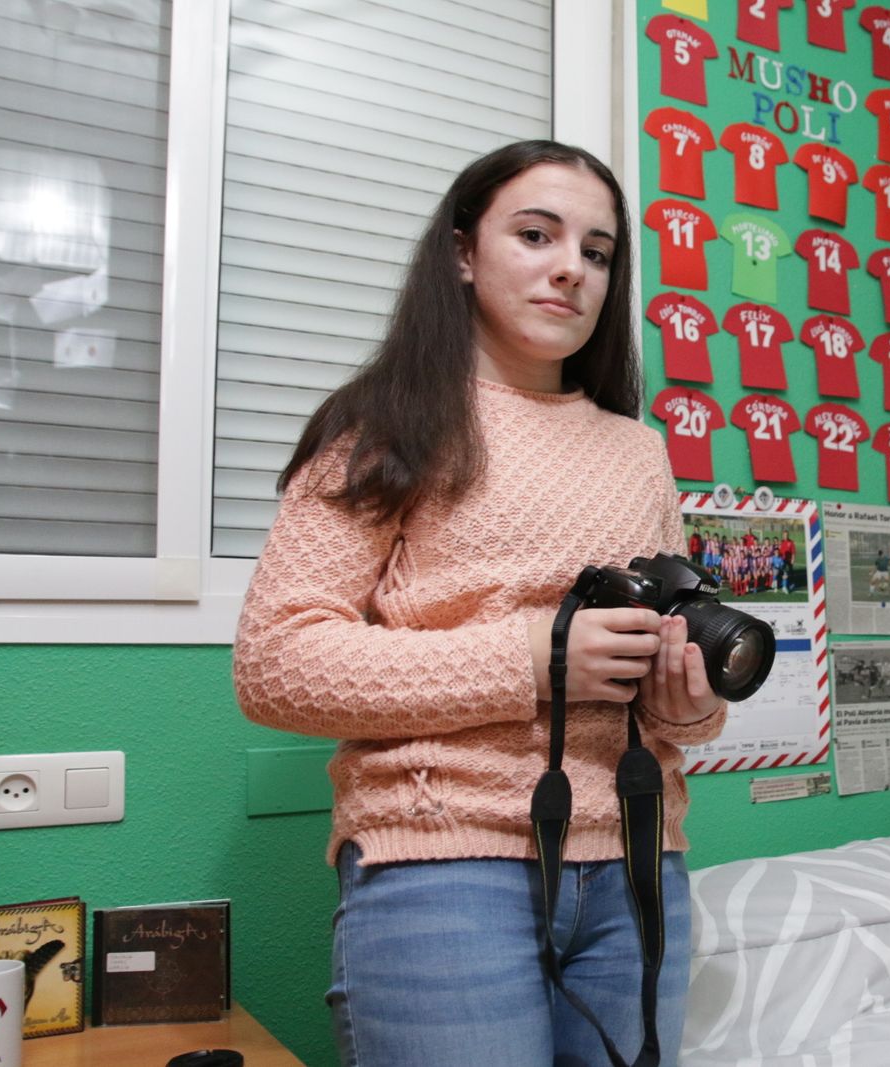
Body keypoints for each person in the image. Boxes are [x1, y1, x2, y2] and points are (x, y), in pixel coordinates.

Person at [231, 141, 727, 1066]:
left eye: (598, 250)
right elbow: (275, 663)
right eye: (536, 234)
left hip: (640, 862)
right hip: (442, 864)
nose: (569, 267)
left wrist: (682, 702)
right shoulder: (385, 424)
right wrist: (538, 656)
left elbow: (655, 688)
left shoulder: (637, 450)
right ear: (462, 251)